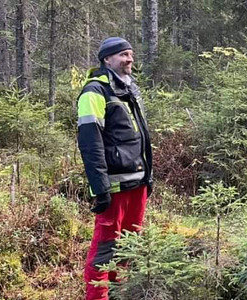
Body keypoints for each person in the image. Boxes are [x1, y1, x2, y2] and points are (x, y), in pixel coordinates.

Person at [77, 37, 154, 300]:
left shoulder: (130, 88)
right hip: (114, 186)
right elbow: (90, 144)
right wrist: (99, 188)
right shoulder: (94, 92)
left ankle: (121, 294)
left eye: (131, 54)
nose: (129, 59)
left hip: (138, 183)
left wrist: (148, 176)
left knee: (129, 247)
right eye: (123, 54)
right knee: (105, 250)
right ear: (107, 59)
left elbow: (141, 137)